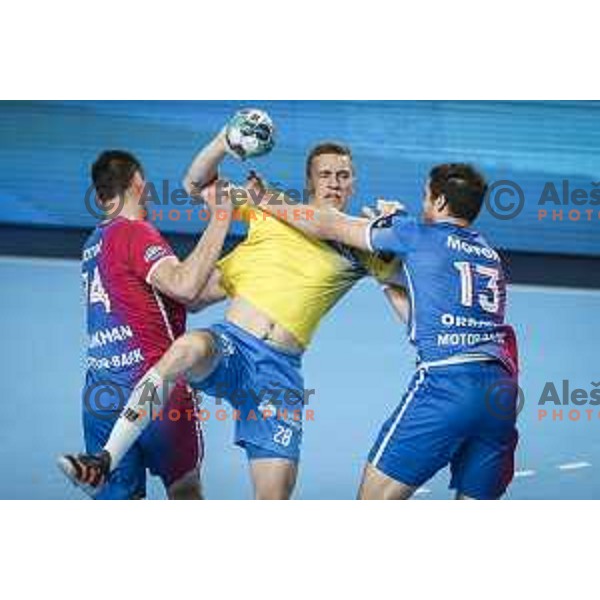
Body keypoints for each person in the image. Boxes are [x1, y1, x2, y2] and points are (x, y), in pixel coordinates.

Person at [58, 114, 396, 500]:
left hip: (279, 373)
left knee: (274, 496)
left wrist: (395, 225)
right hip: (232, 346)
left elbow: (397, 270)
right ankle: (104, 459)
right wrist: (224, 141)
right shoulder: (271, 209)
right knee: (186, 348)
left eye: (343, 175)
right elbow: (195, 183)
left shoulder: (361, 241)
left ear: (354, 183)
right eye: (326, 174)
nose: (335, 183)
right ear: (309, 181)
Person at [257, 163, 520, 500]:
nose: (423, 202)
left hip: (446, 386)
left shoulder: (414, 234)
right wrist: (382, 272)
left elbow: (329, 224)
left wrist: (266, 199)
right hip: (499, 394)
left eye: (426, 196)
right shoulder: (489, 256)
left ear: (439, 202)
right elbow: (424, 315)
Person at [58, 149, 233, 499]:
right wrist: (221, 217)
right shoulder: (135, 233)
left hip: (100, 395)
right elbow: (185, 283)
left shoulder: (93, 244)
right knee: (185, 491)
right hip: (155, 390)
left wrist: (243, 272)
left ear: (99, 195)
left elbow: (187, 298)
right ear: (138, 183)